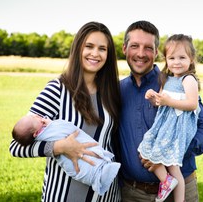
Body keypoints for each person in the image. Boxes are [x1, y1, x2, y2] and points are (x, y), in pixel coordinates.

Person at [9, 21, 121, 202]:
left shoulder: (110, 92)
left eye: (102, 49)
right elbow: (16, 147)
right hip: (64, 196)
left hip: (106, 196)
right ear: (78, 49)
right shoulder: (57, 89)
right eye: (89, 46)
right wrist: (58, 147)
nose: (95, 53)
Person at [119, 21, 203, 202]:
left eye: (148, 48)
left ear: (157, 52)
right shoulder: (117, 90)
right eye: (134, 46)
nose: (141, 53)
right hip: (131, 193)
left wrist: (166, 152)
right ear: (124, 48)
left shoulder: (176, 84)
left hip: (180, 192)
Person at [138, 34, 201, 202]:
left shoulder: (189, 79)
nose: (176, 62)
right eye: (172, 58)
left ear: (191, 58)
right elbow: (161, 102)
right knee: (147, 149)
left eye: (182, 57)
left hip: (178, 127)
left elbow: (192, 104)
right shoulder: (166, 79)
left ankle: (178, 198)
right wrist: (153, 98)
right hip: (165, 125)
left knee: (173, 166)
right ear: (166, 59)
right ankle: (166, 181)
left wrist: (169, 101)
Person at [12, 113, 121, 195]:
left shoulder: (111, 91)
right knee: (83, 167)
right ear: (35, 133)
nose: (36, 115)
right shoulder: (55, 90)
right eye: (33, 118)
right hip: (63, 193)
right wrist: (60, 146)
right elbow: (16, 147)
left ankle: (101, 173)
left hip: (110, 195)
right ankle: (98, 175)